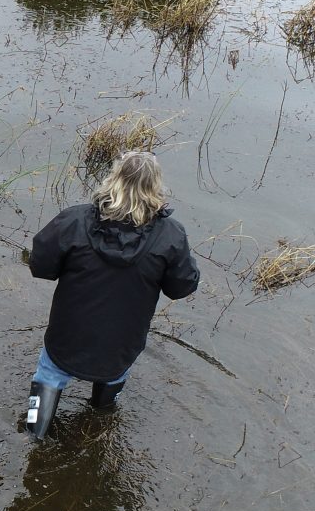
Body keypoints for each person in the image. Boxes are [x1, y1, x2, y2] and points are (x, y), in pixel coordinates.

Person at [25, 150, 199, 437]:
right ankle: (100, 419)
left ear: (113, 180)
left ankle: (34, 434)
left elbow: (40, 265)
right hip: (120, 346)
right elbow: (181, 287)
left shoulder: (74, 220)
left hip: (67, 338)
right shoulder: (171, 235)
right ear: (156, 187)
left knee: (50, 374)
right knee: (113, 376)